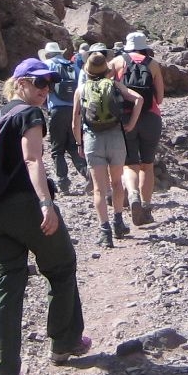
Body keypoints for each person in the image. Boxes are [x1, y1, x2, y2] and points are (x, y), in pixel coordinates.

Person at [0, 57, 92, 375]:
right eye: (40, 82)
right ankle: (65, 342)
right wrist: (46, 203)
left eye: (50, 84)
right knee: (61, 265)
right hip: (25, 205)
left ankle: (3, 371)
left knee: (6, 284)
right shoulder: (29, 114)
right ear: (21, 83)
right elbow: (32, 159)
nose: (46, 89)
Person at [73, 48, 144, 248]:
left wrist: (79, 143)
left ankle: (105, 232)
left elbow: (75, 121)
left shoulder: (81, 90)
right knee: (117, 183)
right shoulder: (114, 85)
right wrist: (131, 124)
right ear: (106, 70)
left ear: (87, 71)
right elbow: (139, 99)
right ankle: (118, 222)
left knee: (98, 188)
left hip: (92, 139)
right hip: (115, 138)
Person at [114, 30, 166, 225]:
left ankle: (133, 194)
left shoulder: (117, 62)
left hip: (126, 119)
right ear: (144, 47)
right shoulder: (153, 64)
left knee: (130, 164)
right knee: (147, 165)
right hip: (151, 118)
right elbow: (159, 98)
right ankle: (146, 207)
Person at [41, 41, 85, 195]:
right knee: (74, 146)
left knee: (57, 149)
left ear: (47, 54)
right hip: (74, 111)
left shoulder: (47, 65)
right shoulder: (73, 65)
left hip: (57, 110)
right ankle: (88, 175)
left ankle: (63, 182)